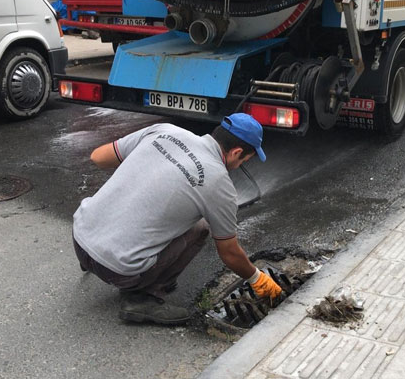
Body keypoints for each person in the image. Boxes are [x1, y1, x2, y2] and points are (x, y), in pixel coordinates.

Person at [72, 113, 283, 324]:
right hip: (116, 269)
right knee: (200, 228)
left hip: (80, 239)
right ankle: (143, 298)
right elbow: (229, 252)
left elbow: (98, 157)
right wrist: (256, 278)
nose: (239, 166)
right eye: (243, 160)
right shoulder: (219, 183)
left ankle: (93, 258)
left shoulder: (164, 130)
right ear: (236, 152)